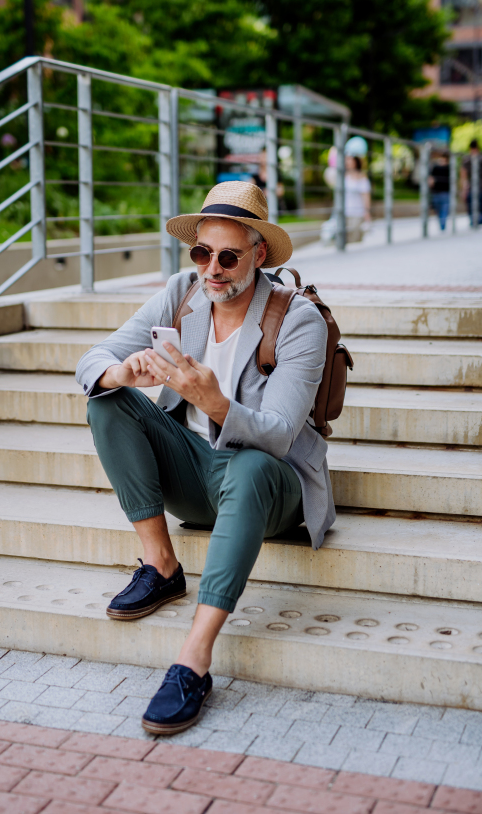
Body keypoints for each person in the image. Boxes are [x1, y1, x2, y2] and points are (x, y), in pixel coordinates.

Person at [76, 181, 331, 736]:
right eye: (201, 253)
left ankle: (194, 658)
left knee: (251, 464)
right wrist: (122, 372)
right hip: (195, 473)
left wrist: (214, 402)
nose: (211, 269)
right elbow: (92, 359)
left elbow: (282, 436)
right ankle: (161, 567)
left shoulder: (297, 318)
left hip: (270, 482)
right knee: (108, 400)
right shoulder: (182, 292)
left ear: (258, 254)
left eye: (228, 256)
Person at [460, 139, 482, 226]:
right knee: (472, 206)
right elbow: (463, 175)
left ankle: (475, 221)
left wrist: (464, 190)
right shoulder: (467, 160)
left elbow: (463, 176)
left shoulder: (467, 159)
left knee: (474, 206)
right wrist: (464, 190)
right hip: (472, 188)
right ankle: (474, 221)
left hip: (476, 188)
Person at [345, 155, 371, 228]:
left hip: (357, 214)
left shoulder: (362, 178)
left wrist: (367, 212)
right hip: (344, 213)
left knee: (354, 237)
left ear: (355, 161)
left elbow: (366, 196)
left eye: (349, 159)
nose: (347, 162)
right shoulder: (343, 177)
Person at [429, 150, 451, 231]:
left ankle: (442, 225)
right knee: (441, 210)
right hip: (439, 192)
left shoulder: (447, 168)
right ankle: (442, 224)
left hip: (442, 192)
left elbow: (431, 180)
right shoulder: (437, 167)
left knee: (442, 210)